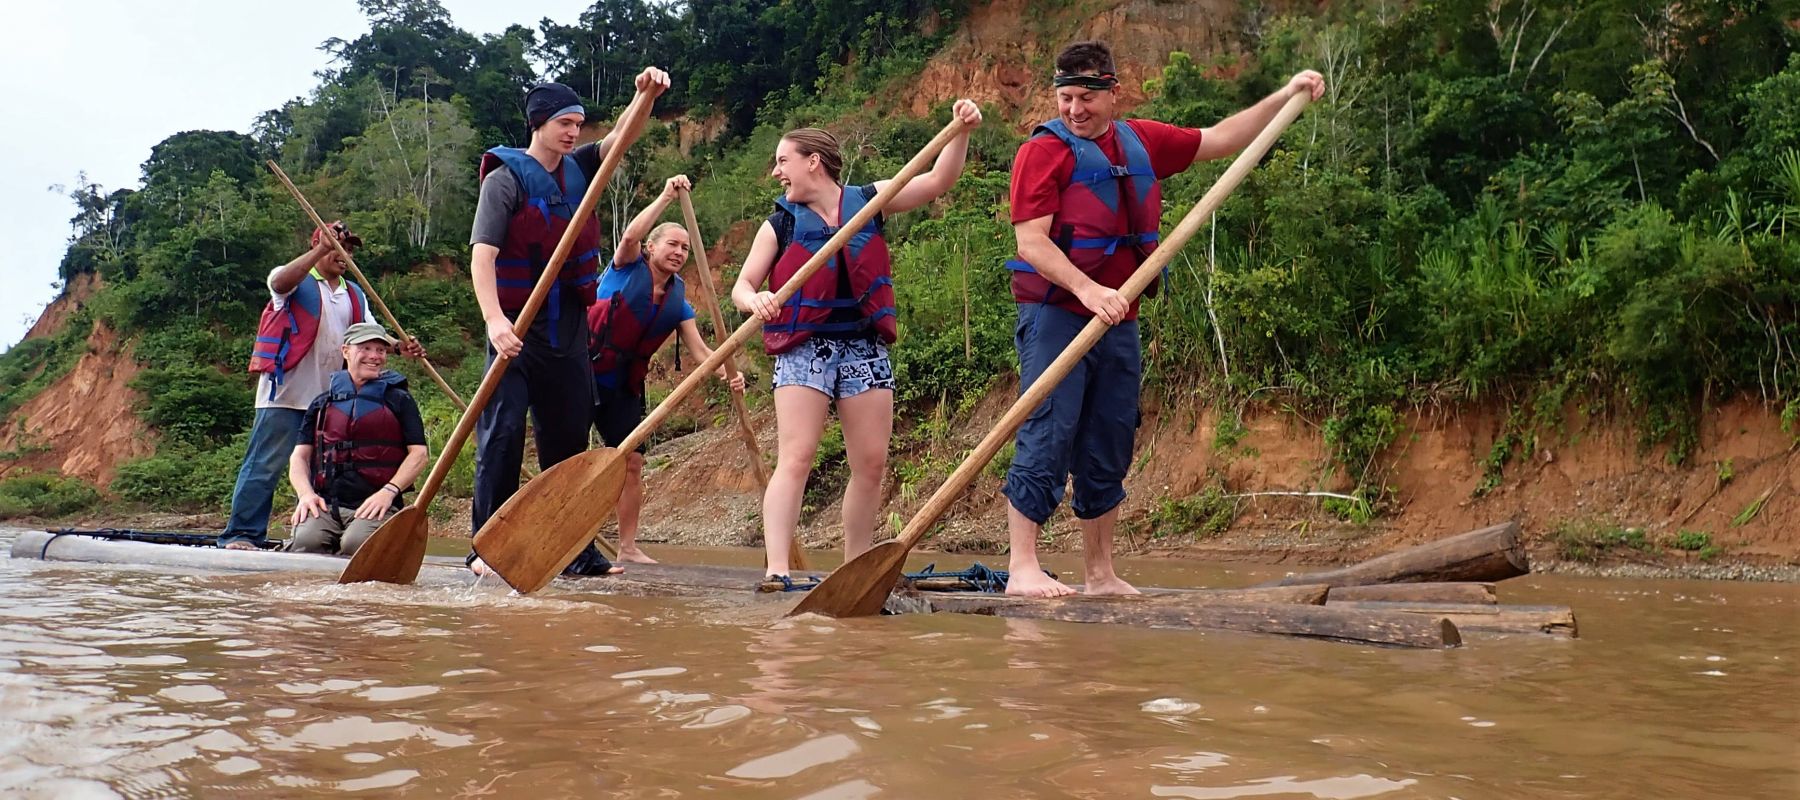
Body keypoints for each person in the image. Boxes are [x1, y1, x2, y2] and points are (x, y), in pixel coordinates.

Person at [1000, 41, 1324, 596]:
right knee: (1050, 431)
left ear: (1113, 94)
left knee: (1110, 439)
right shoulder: (1042, 153)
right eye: (1066, 98)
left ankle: (1100, 574)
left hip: (1119, 317)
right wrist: (1087, 288)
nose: (1075, 110)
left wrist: (1286, 94)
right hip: (1057, 313)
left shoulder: (1140, 140)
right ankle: (1022, 568)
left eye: (1087, 98)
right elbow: (1031, 242)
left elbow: (1221, 139)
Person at [731, 100, 984, 579]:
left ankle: (854, 569)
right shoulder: (780, 222)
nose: (776, 172)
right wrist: (755, 300)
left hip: (863, 348)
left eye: (782, 161)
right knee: (798, 455)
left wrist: (960, 132)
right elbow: (742, 286)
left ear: (813, 161)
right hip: (807, 349)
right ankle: (777, 569)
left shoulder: (869, 199)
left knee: (870, 463)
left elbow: (937, 181)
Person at [466, 71, 670, 577]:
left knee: (568, 443)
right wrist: (494, 321)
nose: (573, 132)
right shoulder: (505, 179)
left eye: (578, 123)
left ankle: (573, 549)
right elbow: (482, 257)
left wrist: (645, 94)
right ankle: (485, 548)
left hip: (569, 330)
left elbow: (625, 131)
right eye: (564, 122)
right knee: (503, 432)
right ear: (539, 123)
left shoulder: (582, 168)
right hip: (516, 330)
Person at [588, 174, 747, 564]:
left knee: (632, 463)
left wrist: (730, 374)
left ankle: (627, 548)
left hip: (624, 387)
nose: (679, 252)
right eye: (672, 244)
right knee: (573, 461)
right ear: (652, 248)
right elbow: (629, 237)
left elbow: (701, 353)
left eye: (685, 248)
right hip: (583, 373)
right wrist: (664, 196)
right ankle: (567, 543)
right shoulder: (626, 267)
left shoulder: (679, 301)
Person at [222, 221, 396, 550]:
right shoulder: (293, 282)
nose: (346, 255)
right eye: (339, 247)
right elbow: (278, 281)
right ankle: (242, 534)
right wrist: (322, 248)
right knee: (265, 465)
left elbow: (374, 335)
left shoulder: (353, 294)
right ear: (319, 246)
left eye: (350, 250)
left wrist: (401, 345)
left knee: (324, 473)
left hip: (328, 403)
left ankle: (317, 538)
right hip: (285, 396)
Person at [285, 322, 430, 556]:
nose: (374, 356)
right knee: (306, 542)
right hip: (326, 505)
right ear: (346, 351)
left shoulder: (400, 400)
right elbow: (299, 457)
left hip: (378, 503)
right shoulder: (323, 402)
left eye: (381, 350)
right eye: (365, 348)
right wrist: (305, 495)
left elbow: (419, 455)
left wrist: (389, 491)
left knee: (356, 544)